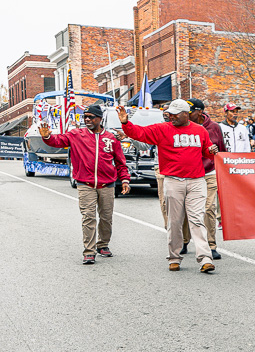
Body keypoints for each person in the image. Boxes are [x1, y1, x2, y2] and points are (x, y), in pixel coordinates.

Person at [118, 99, 218, 273]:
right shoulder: (162, 129)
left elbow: (206, 151)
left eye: (175, 114)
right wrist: (126, 123)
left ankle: (205, 258)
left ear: (186, 114)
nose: (171, 117)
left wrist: (211, 151)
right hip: (173, 180)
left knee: (197, 219)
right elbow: (139, 133)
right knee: (174, 221)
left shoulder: (200, 130)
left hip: (196, 181)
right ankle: (174, 257)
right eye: (170, 114)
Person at [37, 103, 130, 264]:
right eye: (85, 117)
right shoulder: (76, 135)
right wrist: (47, 137)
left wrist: (125, 180)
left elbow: (120, 162)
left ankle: (103, 244)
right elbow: (58, 141)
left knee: (106, 218)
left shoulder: (111, 139)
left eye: (91, 117)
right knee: (88, 217)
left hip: (107, 185)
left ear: (99, 119)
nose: (87, 120)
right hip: (85, 184)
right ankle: (89, 251)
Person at [189, 99, 227, 261]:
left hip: (209, 172)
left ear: (199, 112)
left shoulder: (214, 127)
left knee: (209, 208)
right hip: (189, 173)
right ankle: (184, 240)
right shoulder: (183, 126)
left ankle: (211, 245)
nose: (186, 114)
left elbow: (222, 150)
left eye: (190, 111)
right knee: (186, 211)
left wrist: (223, 170)